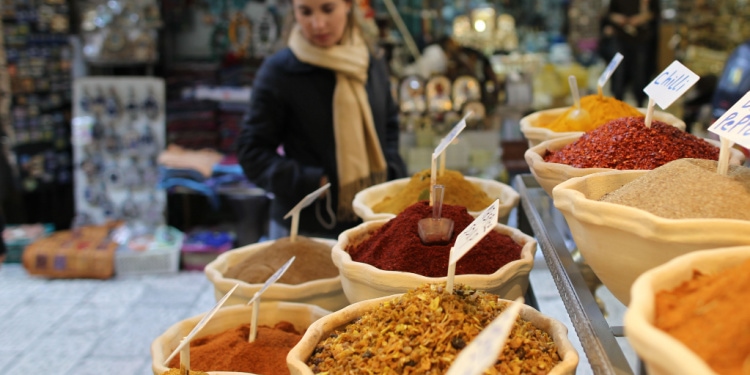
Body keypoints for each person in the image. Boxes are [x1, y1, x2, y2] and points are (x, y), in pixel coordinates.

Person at [237, 0, 407, 240]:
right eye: (305, 12)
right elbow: (251, 151)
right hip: (305, 229)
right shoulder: (279, 71)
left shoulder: (371, 60)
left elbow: (388, 123)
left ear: (348, 5)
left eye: (327, 9)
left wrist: (389, 171)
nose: (317, 24)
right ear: (293, 12)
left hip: (373, 223)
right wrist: (313, 182)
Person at [605, 0, 660, 107]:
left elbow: (654, 13)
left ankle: (640, 104)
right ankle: (617, 104)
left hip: (642, 39)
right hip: (620, 37)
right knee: (619, 71)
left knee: (640, 73)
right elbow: (609, 14)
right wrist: (618, 19)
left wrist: (642, 17)